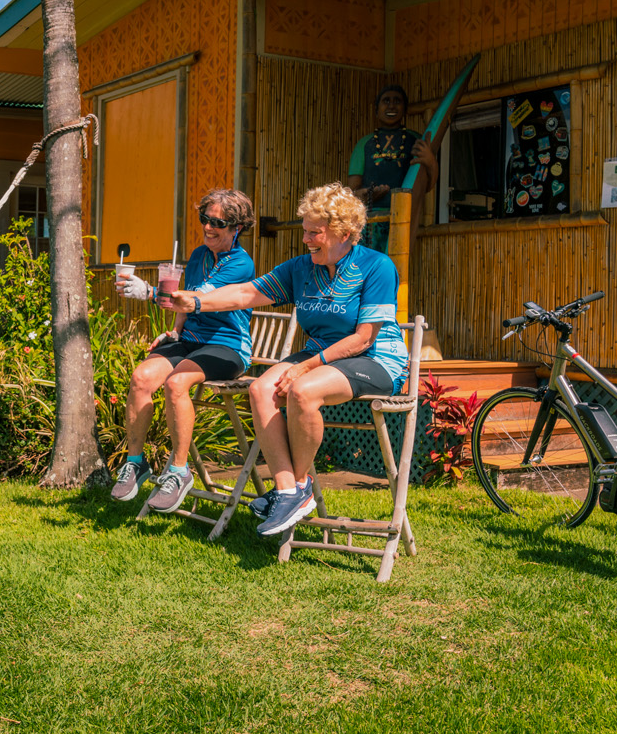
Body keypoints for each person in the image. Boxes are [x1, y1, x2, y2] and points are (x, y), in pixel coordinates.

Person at [169, 182, 407, 536]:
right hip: (320, 355)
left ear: (345, 233)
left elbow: (363, 338)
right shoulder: (301, 268)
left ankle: (297, 487)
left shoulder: (376, 266)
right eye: (305, 231)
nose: (307, 239)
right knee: (261, 390)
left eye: (316, 233)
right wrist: (196, 301)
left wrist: (305, 367)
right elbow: (247, 293)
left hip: (376, 358)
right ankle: (287, 489)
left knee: (303, 391)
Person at [110, 189, 256, 514]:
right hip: (191, 340)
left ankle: (179, 471)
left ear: (238, 227)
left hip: (227, 346)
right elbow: (184, 301)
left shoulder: (240, 265)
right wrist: (175, 330)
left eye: (218, 222)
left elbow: (194, 297)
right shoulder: (200, 255)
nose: (208, 227)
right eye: (205, 219)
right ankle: (136, 463)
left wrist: (147, 291)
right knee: (141, 378)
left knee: (176, 384)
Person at [345, 84, 438, 253]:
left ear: (405, 108)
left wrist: (430, 161)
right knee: (369, 269)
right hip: (369, 222)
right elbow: (351, 192)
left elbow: (427, 185)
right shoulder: (364, 144)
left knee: (396, 268)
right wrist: (367, 193)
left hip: (404, 219)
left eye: (397, 101)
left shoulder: (416, 141)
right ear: (376, 109)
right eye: (386, 101)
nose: (391, 105)